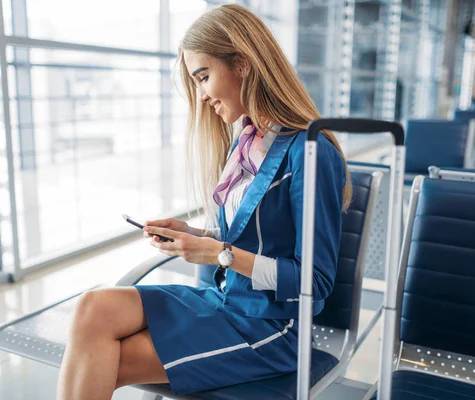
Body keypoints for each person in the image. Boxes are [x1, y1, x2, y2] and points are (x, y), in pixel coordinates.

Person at [56, 4, 352, 399]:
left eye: (204, 76)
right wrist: (195, 235)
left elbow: (313, 283)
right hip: (223, 301)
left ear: (243, 64)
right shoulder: (246, 142)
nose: (201, 96)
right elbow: (251, 235)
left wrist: (219, 254)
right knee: (93, 308)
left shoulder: (311, 153)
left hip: (269, 327)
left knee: (104, 359)